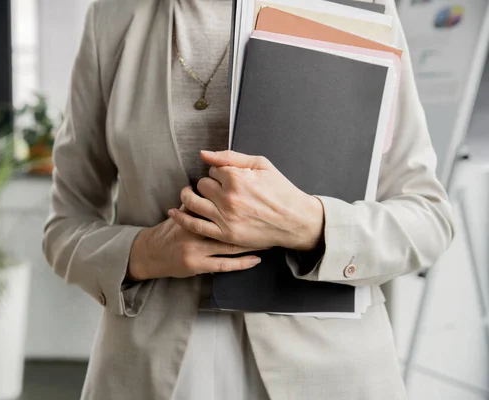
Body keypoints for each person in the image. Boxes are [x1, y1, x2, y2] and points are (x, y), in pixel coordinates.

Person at [42, 0, 455, 399]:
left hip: (327, 368)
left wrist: (311, 224)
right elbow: (64, 227)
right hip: (147, 367)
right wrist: (146, 252)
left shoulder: (357, 6)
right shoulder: (111, 17)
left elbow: (429, 217)